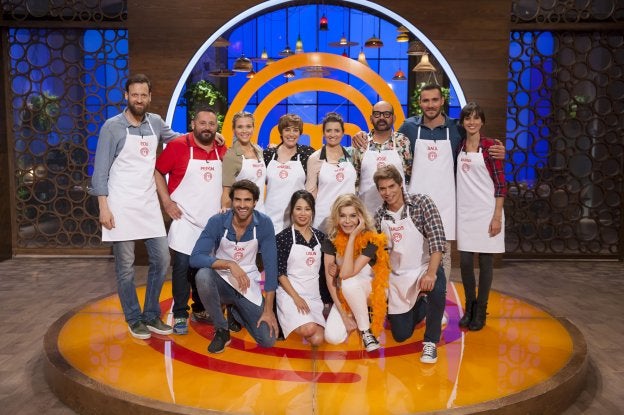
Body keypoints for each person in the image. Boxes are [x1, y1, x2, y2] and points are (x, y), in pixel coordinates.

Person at [353, 85, 505, 280]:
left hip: (445, 202)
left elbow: (476, 139)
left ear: (442, 101)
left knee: (443, 253)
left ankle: (440, 295)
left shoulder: (456, 128)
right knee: (414, 251)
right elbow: (383, 136)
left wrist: (497, 149)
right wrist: (360, 135)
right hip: (414, 203)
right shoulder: (409, 127)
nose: (430, 105)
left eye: (434, 100)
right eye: (426, 100)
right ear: (420, 103)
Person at [91, 73, 176, 339]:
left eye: (143, 95)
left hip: (148, 204)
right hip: (120, 205)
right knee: (125, 267)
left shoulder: (156, 122)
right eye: (134, 95)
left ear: (149, 97)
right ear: (126, 96)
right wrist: (103, 207)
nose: (139, 99)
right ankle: (133, 318)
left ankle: (151, 314)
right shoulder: (112, 127)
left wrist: (209, 136)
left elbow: (178, 139)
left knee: (162, 259)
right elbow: (100, 171)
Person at [154, 106, 227, 334]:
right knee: (182, 268)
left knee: (203, 270)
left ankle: (200, 308)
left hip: (212, 224)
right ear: (193, 124)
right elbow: (158, 171)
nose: (207, 128)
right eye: (202, 123)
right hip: (184, 220)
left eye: (212, 124)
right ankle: (179, 314)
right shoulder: (178, 146)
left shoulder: (222, 149)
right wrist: (167, 202)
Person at [190, 180, 279, 353]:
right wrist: (229, 264)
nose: (242, 205)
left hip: (247, 282)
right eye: (238, 199)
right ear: (232, 201)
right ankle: (221, 329)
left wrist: (268, 310)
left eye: (247, 200)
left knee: (268, 340)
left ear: (255, 202)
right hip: (221, 279)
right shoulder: (217, 221)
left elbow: (271, 267)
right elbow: (195, 257)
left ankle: (235, 311)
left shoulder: (264, 223)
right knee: (203, 276)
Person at [373, 165, 446, 364]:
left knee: (437, 287)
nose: (387, 192)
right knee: (401, 335)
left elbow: (438, 242)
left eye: (391, 186)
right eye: (382, 188)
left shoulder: (422, 203)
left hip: (423, 267)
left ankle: (430, 342)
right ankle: (423, 305)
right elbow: (378, 253)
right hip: (398, 275)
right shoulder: (379, 216)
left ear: (400, 184)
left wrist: (430, 273)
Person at [456, 103, 506, 331]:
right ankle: (470, 306)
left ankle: (481, 310)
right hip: (465, 213)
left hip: (487, 211)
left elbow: (501, 184)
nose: (472, 122)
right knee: (466, 263)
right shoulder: (459, 145)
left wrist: (497, 216)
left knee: (486, 264)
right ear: (462, 122)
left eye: (476, 118)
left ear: (482, 121)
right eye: (468, 118)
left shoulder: (490, 147)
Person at [322, 194, 390, 352]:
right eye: (342, 216)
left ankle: (365, 331)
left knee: (348, 281)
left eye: (353, 216)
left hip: (372, 294)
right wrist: (343, 315)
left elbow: (346, 274)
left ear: (361, 217)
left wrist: (352, 236)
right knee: (332, 337)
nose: (347, 221)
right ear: (336, 217)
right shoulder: (330, 240)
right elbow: (330, 282)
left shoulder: (371, 240)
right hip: (346, 295)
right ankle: (357, 316)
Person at [275, 190, 326, 346]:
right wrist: (296, 298)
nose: (303, 213)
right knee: (309, 329)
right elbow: (280, 273)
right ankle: (283, 318)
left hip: (313, 294)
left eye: (307, 209)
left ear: (312, 211)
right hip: (290, 293)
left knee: (317, 339)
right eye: (298, 208)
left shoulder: (321, 237)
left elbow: (325, 268)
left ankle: (306, 321)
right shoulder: (282, 238)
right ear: (292, 211)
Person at [351, 101, 412, 214]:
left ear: (393, 118)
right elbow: (354, 180)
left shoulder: (403, 141)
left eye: (386, 114)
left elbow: (409, 175)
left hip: (399, 212)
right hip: (367, 212)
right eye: (377, 114)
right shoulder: (361, 142)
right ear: (371, 118)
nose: (382, 118)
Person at [263, 114, 315, 233]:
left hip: (298, 220)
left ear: (300, 133)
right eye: (287, 130)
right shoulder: (268, 154)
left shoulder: (307, 154)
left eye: (295, 130)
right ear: (281, 132)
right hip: (270, 217)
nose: (291, 134)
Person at [305, 112, 357, 232]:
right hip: (323, 218)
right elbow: (310, 193)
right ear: (324, 133)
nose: (333, 135)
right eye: (329, 131)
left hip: (349, 218)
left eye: (337, 131)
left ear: (343, 133)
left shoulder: (352, 155)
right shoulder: (315, 158)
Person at [221, 112, 266, 212]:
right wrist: (226, 214)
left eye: (248, 126)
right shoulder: (231, 156)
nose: (244, 131)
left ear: (253, 128)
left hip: (260, 212)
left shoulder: (259, 150)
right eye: (240, 127)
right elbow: (226, 192)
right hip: (241, 213)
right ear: (234, 130)